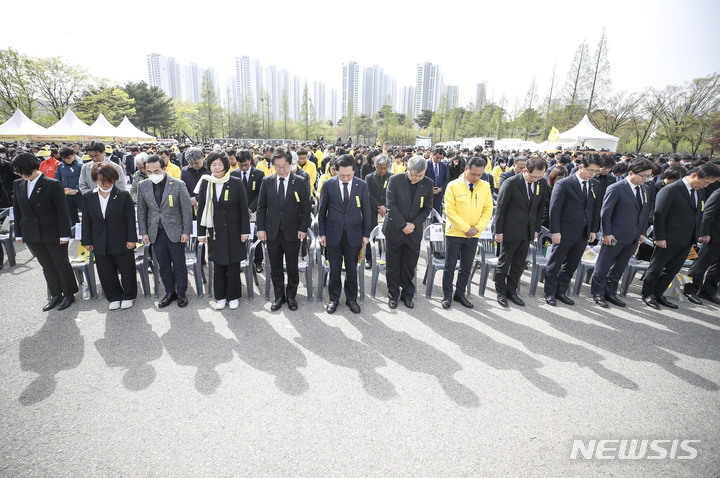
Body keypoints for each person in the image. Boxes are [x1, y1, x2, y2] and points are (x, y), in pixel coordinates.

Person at [642, 163, 720, 309]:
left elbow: (699, 213)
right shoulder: (672, 189)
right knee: (656, 268)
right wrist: (659, 237)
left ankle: (659, 293)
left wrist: (696, 236)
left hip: (687, 238)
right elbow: (659, 214)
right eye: (705, 182)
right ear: (695, 175)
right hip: (667, 237)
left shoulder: (699, 192)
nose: (705, 186)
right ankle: (648, 294)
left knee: (673, 269)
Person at [13, 152, 77, 311]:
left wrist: (65, 234)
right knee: (46, 265)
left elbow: (63, 212)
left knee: (61, 264)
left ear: (32, 167)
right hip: (31, 233)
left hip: (53, 232)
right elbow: (18, 209)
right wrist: (19, 233)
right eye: (19, 171)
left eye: (23, 171)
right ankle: (56, 294)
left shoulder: (52, 184)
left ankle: (69, 294)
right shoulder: (18, 184)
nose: (22, 174)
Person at [590, 159, 653, 308]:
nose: (645, 179)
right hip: (614, 235)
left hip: (633, 236)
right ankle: (598, 292)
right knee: (604, 265)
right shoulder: (616, 188)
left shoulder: (645, 189)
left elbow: (644, 213)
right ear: (631, 173)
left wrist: (642, 232)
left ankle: (610, 292)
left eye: (648, 176)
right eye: (643, 176)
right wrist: (606, 233)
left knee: (620, 266)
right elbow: (606, 213)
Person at [256, 148, 311, 311]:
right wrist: (261, 229)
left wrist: (303, 228)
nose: (281, 169)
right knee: (275, 266)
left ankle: (292, 296)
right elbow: (261, 207)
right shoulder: (267, 181)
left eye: (285, 165)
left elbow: (306, 208)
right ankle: (279, 296)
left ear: (290, 164)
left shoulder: (300, 181)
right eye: (277, 166)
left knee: (293, 266)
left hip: (293, 231)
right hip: (272, 231)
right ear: (273, 165)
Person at [544, 154, 602, 306]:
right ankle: (549, 292)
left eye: (596, 171)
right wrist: (555, 231)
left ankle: (561, 291)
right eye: (590, 170)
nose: (592, 174)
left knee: (572, 264)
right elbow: (554, 209)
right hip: (564, 231)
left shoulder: (595, 184)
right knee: (555, 263)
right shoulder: (564, 183)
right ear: (581, 167)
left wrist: (593, 230)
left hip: (583, 232)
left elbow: (595, 209)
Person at [137, 154, 194, 308]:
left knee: (179, 263)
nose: (153, 174)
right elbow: (141, 211)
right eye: (149, 172)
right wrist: (144, 232)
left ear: (163, 168)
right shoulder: (143, 186)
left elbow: (186, 210)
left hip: (175, 230)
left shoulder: (177, 184)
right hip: (155, 231)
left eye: (156, 171)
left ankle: (181, 292)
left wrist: (186, 231)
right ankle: (170, 292)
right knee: (163, 264)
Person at [196, 152, 251, 310]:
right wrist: (201, 232)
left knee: (234, 264)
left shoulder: (236, 182)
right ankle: (220, 296)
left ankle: (233, 296)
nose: (217, 167)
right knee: (218, 264)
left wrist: (244, 231)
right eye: (214, 164)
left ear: (226, 165)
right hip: (215, 230)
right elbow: (201, 210)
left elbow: (243, 208)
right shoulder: (206, 182)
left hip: (234, 230)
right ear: (209, 166)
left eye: (220, 164)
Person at [317, 154, 371, 314]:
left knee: (352, 269)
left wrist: (366, 234)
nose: (345, 178)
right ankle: (334, 298)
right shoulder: (328, 185)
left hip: (354, 233)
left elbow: (366, 211)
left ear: (354, 171)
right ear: (336, 171)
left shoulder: (361, 185)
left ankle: (351, 298)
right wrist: (322, 234)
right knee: (334, 269)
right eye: (342, 175)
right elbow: (321, 212)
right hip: (333, 233)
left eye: (349, 175)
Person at [81, 163, 138, 310]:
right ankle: (113, 296)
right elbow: (86, 220)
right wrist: (86, 241)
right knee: (105, 271)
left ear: (114, 179)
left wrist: (132, 239)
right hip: (99, 240)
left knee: (127, 269)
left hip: (122, 239)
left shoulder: (123, 195)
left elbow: (130, 219)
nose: (104, 183)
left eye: (108, 180)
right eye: (100, 180)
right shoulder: (89, 196)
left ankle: (128, 295)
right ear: (95, 179)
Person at [494, 157, 548, 307]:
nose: (536, 179)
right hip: (510, 229)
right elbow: (500, 209)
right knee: (504, 262)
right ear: (525, 171)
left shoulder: (541, 183)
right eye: (533, 176)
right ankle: (500, 291)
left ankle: (512, 291)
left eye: (540, 176)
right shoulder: (511, 183)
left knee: (519, 263)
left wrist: (536, 229)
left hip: (528, 231)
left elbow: (540, 208)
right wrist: (498, 231)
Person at [441, 155, 494, 309]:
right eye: (473, 174)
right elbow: (450, 211)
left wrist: (477, 228)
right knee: (450, 266)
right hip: (455, 233)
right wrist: (465, 228)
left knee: (466, 266)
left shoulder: (485, 186)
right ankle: (447, 295)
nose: (476, 177)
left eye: (480, 174)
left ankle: (460, 294)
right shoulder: (453, 185)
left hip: (474, 234)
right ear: (466, 169)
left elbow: (488, 209)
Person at [383, 156, 434, 308]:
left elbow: (427, 208)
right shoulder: (395, 180)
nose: (418, 178)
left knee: (409, 265)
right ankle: (392, 294)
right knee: (393, 264)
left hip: (414, 231)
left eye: (421, 175)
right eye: (415, 175)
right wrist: (402, 225)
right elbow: (391, 206)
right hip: (395, 229)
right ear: (408, 169)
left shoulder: (428, 183)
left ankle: (407, 294)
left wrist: (413, 224)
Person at [231, 149, 265, 273]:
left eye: (246, 164)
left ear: (250, 161)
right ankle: (241, 259)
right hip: (239, 212)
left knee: (256, 237)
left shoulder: (259, 174)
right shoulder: (233, 174)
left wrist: (250, 208)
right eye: (241, 165)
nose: (244, 167)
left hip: (254, 212)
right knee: (240, 236)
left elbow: (260, 195)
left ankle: (258, 262)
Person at [684, 187, 720, 304]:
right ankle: (690, 289)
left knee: (718, 268)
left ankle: (708, 291)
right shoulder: (718, 193)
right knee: (700, 265)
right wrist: (704, 232)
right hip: (714, 236)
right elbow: (707, 213)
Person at [365, 154, 393, 269]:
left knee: (385, 234)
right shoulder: (369, 177)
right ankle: (370, 258)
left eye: (385, 168)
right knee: (370, 234)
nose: (383, 170)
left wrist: (385, 207)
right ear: (376, 167)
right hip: (372, 210)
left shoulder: (392, 177)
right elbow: (368, 194)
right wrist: (379, 207)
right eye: (381, 168)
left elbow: (393, 194)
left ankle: (384, 256)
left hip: (387, 211)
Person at [54, 146, 84, 224]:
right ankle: (74, 231)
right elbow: (57, 179)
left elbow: (83, 180)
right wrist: (63, 189)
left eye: (68, 158)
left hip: (79, 193)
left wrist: (76, 189)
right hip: (66, 194)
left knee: (85, 212)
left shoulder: (80, 166)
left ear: (74, 155)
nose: (66, 160)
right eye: (64, 158)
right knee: (71, 214)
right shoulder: (60, 166)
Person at [425, 148, 450, 218]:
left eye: (440, 158)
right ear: (433, 155)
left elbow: (446, 179)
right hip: (427, 193)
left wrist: (441, 188)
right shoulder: (426, 165)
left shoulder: (444, 166)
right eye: (437, 158)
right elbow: (423, 179)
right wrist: (429, 189)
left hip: (438, 194)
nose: (439, 160)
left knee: (437, 213)